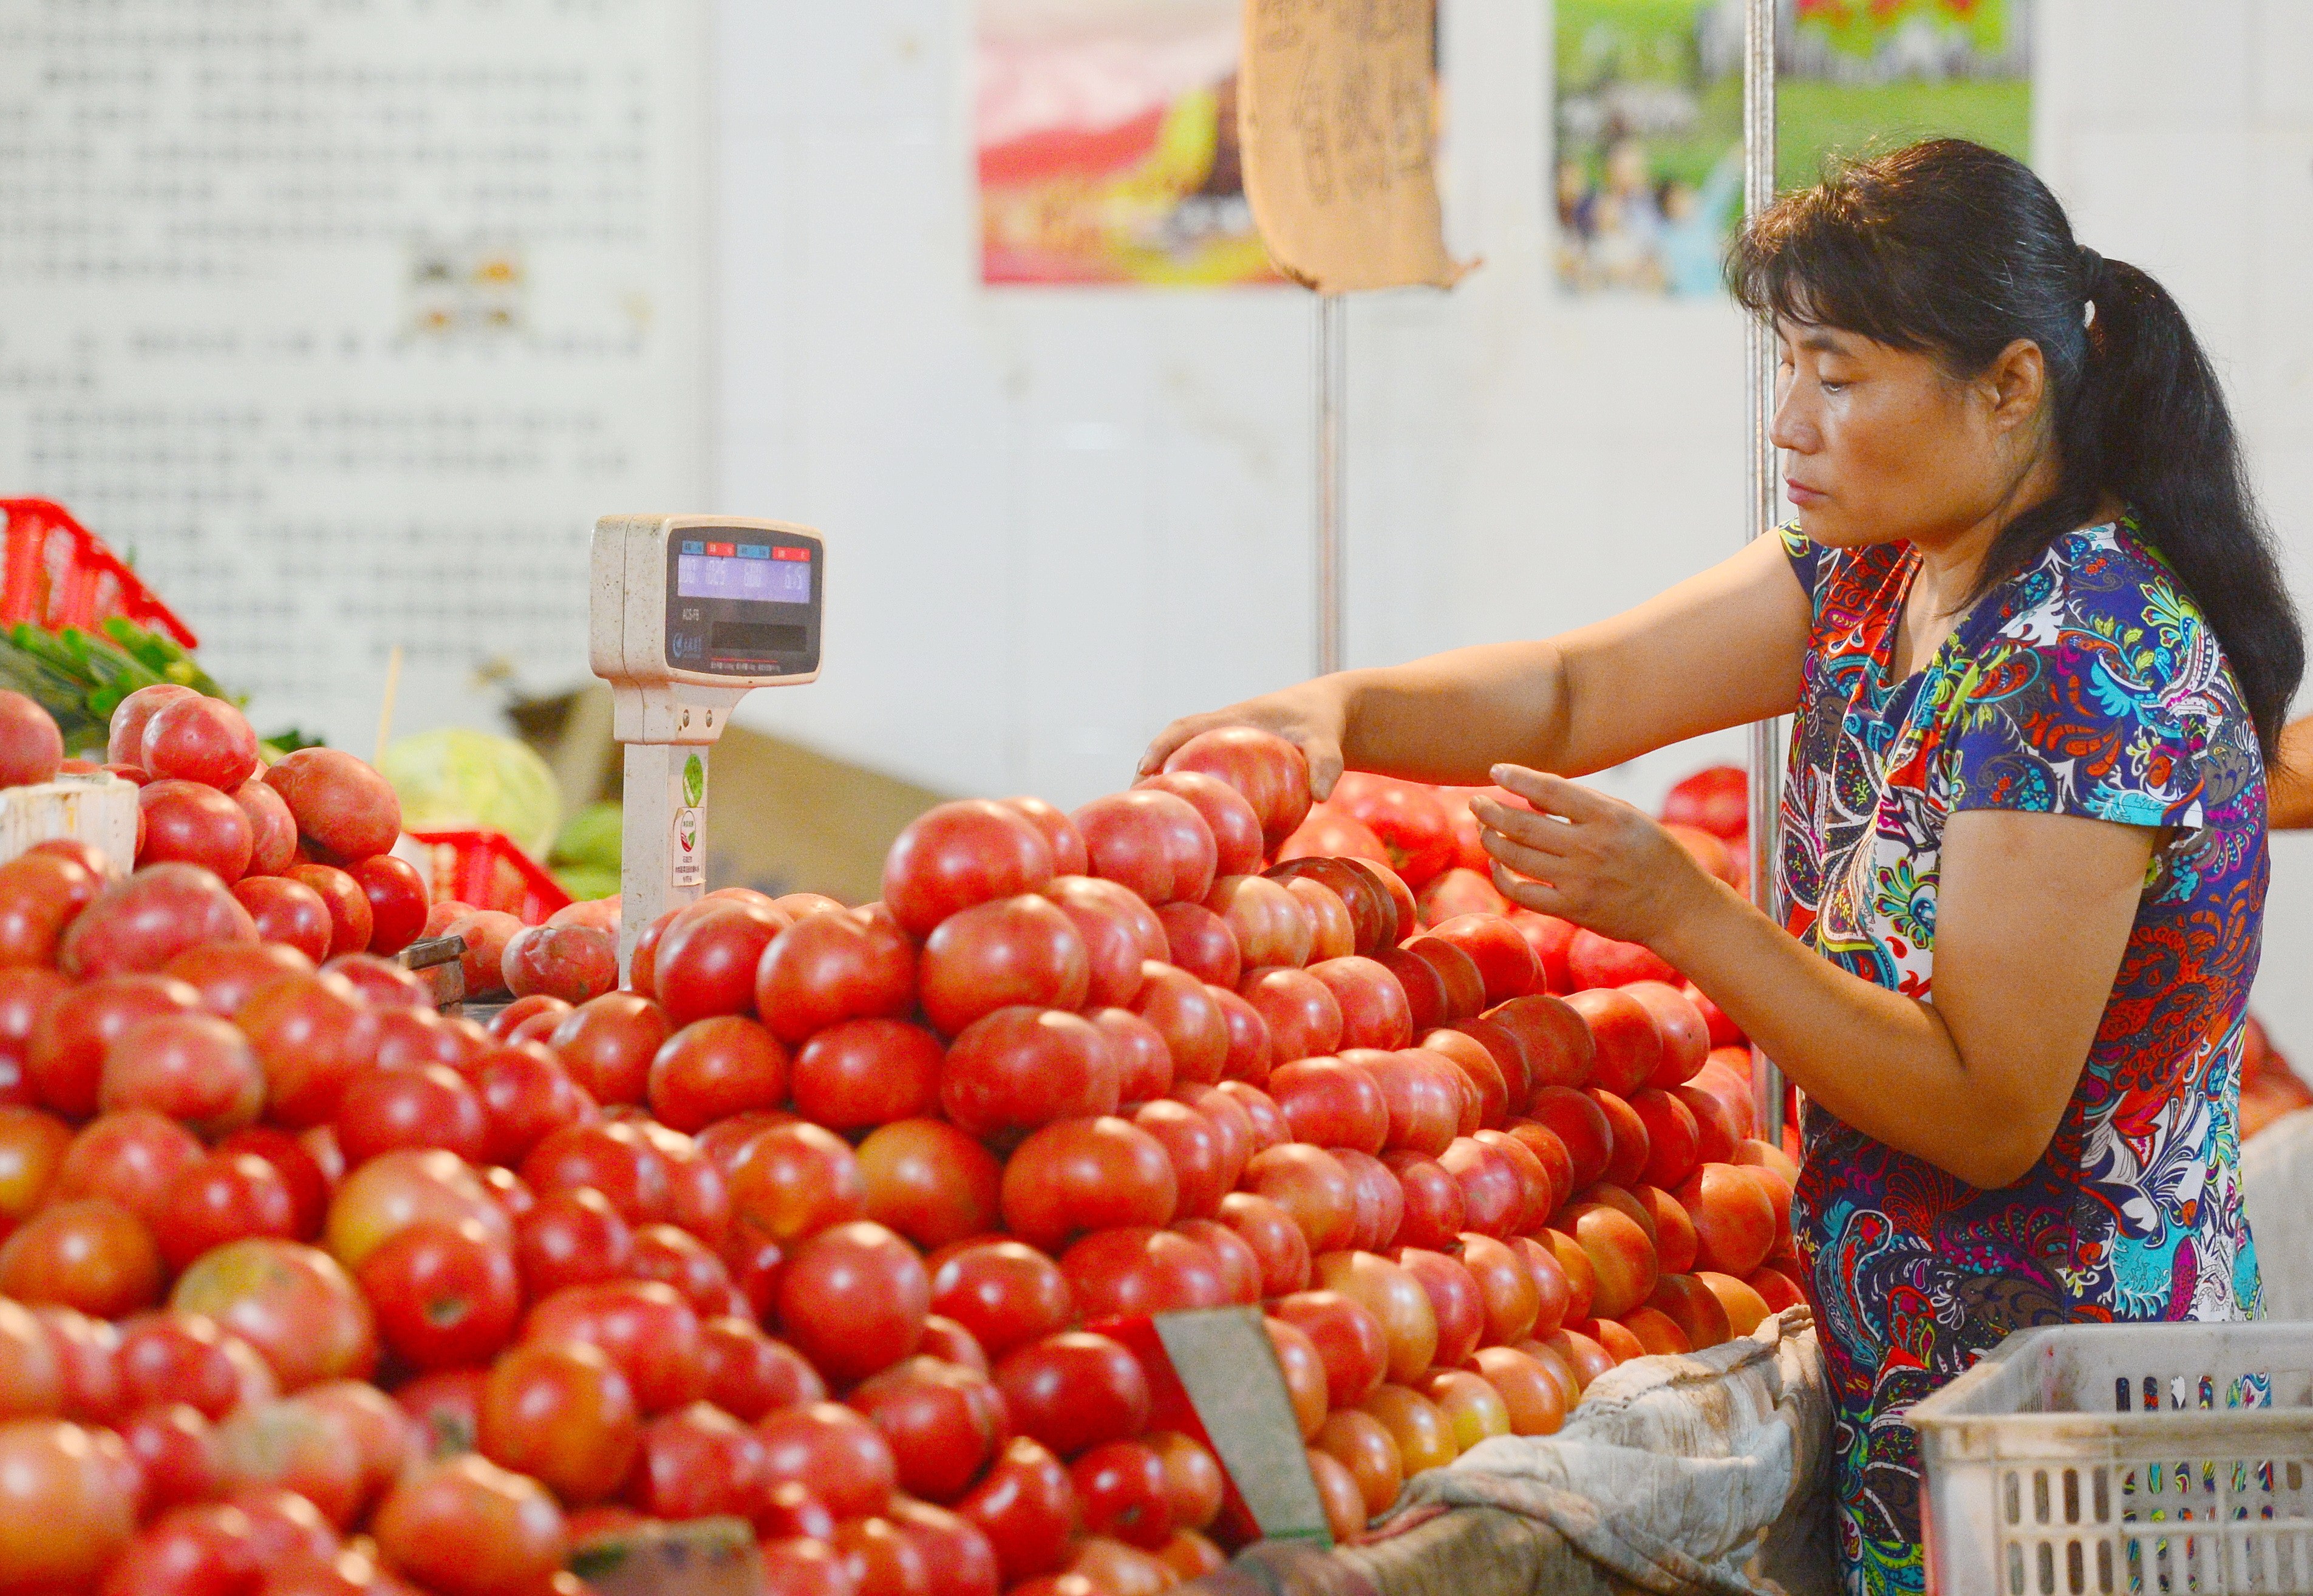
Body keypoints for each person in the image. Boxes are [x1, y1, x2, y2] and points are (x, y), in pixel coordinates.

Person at [1141, 140, 2303, 1595]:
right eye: (1789, 366)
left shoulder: (2088, 663)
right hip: (1929, 1380)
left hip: (2084, 1436)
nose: (1789, 425)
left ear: (2010, 386)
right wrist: (1338, 712)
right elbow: (1576, 689)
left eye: (1837, 373)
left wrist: (1679, 910)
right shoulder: (1877, 572)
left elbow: (1988, 1107)